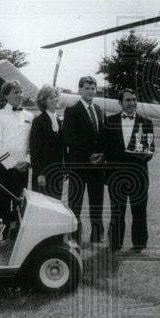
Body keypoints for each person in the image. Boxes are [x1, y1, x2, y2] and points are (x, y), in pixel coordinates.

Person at [103, 88, 154, 253]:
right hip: (116, 175)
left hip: (138, 174)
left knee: (139, 210)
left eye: (134, 100)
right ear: (120, 103)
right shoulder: (109, 122)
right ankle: (115, 244)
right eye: (128, 100)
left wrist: (145, 155)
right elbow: (104, 149)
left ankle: (140, 244)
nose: (132, 103)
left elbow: (150, 148)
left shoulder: (146, 122)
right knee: (117, 211)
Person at [62, 75, 106, 243]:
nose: (90, 91)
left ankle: (97, 235)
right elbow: (69, 138)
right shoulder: (71, 110)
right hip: (79, 165)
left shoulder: (99, 110)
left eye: (92, 88)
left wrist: (101, 154)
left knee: (97, 203)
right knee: (76, 204)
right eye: (86, 88)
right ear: (80, 90)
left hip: (97, 167)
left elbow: (102, 136)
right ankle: (74, 238)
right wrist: (89, 155)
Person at [0, 80, 32, 228]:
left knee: (21, 202)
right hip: (4, 167)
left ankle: (17, 236)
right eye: (15, 92)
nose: (19, 95)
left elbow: (31, 142)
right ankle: (0, 236)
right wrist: (13, 164)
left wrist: (26, 161)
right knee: (2, 203)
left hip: (23, 167)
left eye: (20, 92)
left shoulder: (29, 116)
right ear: (6, 95)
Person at [29, 84, 65, 200]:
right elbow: (34, 150)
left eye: (55, 96)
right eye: (50, 98)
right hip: (43, 172)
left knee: (56, 204)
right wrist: (39, 174)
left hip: (57, 172)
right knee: (42, 205)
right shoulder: (38, 121)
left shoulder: (60, 120)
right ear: (43, 101)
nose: (54, 99)